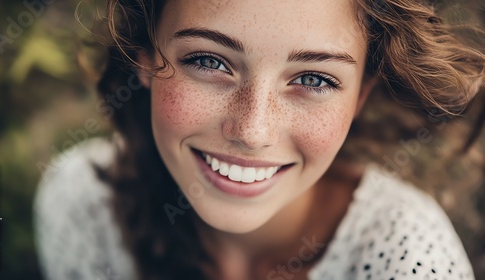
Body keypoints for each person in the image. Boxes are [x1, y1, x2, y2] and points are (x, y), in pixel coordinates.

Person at [34, 0, 485, 279]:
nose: (252, 132)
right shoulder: (79, 205)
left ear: (360, 96)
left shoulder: (408, 262)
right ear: (145, 61)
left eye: (313, 77)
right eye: (210, 61)